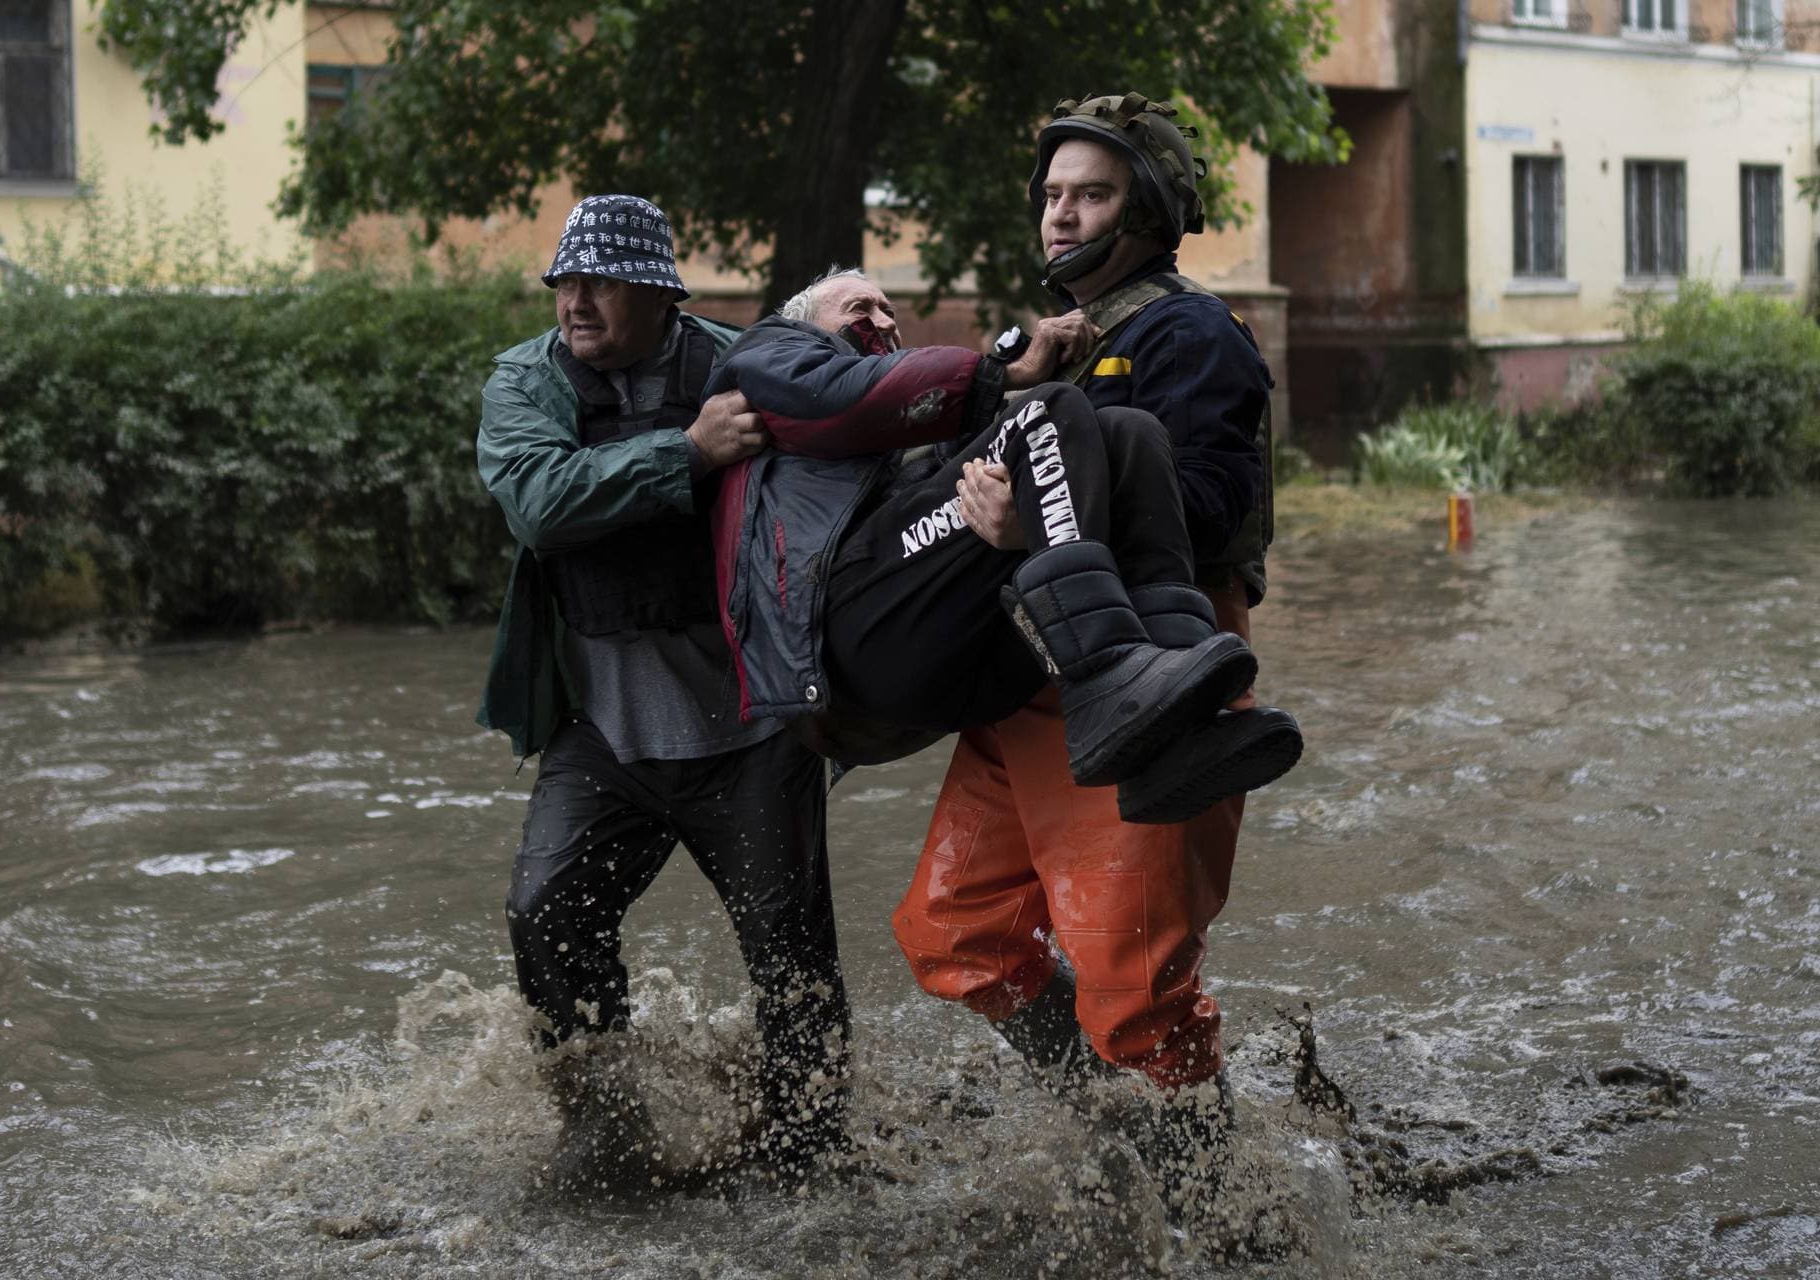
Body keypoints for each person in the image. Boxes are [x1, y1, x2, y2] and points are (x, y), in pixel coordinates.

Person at [889, 93, 1292, 1247]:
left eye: (1093, 194)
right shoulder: (1049, 342)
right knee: (953, 930)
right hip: (1028, 673)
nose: (1062, 214)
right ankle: (1114, 1123)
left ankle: (1222, 1221)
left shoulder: (1192, 335)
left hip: (1153, 673)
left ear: (1148, 210)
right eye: (1054, 194)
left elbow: (1205, 506)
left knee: (1135, 987)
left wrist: (1045, 521)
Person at [474, 194, 849, 1192]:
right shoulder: (525, 380)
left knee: (793, 964)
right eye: (564, 282)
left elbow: (858, 442)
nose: (575, 301)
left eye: (600, 283)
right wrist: (687, 452)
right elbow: (538, 501)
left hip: (753, 732)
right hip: (605, 736)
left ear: (659, 295)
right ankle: (606, 1130)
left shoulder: (743, 365)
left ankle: (810, 1155)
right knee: (544, 912)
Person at [701, 268, 1301, 824]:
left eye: (889, 311)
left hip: (949, 656)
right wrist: (1004, 375)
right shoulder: (770, 352)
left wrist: (1020, 516)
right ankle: (1103, 678)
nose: (883, 321)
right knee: (1049, 409)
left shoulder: (909, 431)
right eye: (861, 308)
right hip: (846, 645)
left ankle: (1183, 722)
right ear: (805, 324)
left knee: (1128, 430)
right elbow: (836, 396)